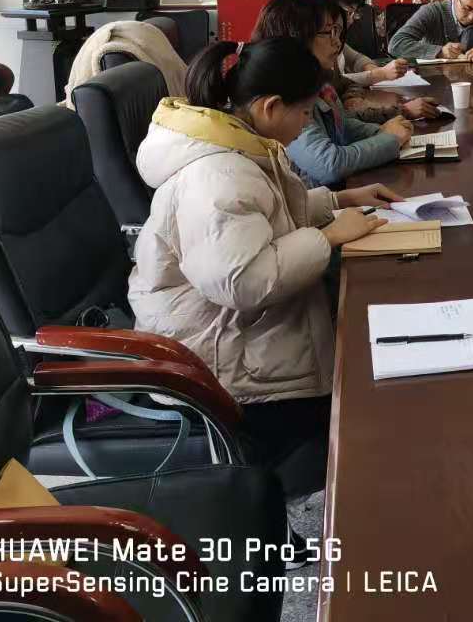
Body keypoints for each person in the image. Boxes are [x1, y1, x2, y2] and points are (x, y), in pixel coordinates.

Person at [129, 37, 401, 496]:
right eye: (304, 112)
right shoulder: (215, 175)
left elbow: (265, 218)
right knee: (373, 403)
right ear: (271, 106)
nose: (306, 123)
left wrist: (337, 200)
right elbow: (244, 280)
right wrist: (328, 236)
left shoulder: (237, 144)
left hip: (235, 330)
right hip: (222, 362)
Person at [252, 0, 414, 187]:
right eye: (328, 32)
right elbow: (328, 164)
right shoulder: (284, 93)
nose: (337, 42)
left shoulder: (319, 80)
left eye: (338, 32)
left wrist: (381, 132)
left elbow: (343, 126)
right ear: (295, 35)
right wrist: (390, 140)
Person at [318, 0, 439, 122]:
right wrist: (380, 74)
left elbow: (350, 69)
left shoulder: (334, 40)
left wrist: (365, 79)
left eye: (354, 13)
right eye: (348, 12)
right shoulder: (316, 48)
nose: (351, 20)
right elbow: (340, 119)